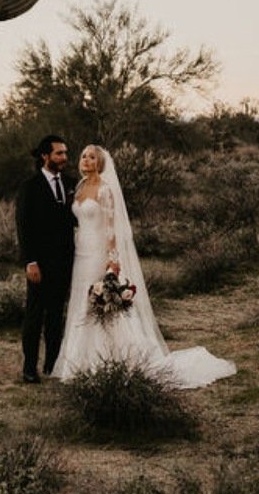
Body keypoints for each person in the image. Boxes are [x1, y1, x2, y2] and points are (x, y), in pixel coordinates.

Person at [52, 145, 236, 389]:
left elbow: (110, 229)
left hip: (98, 253)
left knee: (104, 305)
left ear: (101, 162)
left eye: (92, 157)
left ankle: (111, 360)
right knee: (81, 303)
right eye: (83, 156)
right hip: (80, 253)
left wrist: (113, 259)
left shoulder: (105, 190)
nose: (86, 160)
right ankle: (78, 363)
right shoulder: (80, 187)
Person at [15, 134, 76, 383]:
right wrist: (30, 261)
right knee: (34, 314)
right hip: (39, 263)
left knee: (55, 315)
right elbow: (23, 226)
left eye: (65, 153)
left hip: (65, 261)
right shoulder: (30, 186)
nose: (64, 158)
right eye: (59, 153)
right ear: (45, 156)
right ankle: (29, 367)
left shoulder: (72, 183)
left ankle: (52, 363)